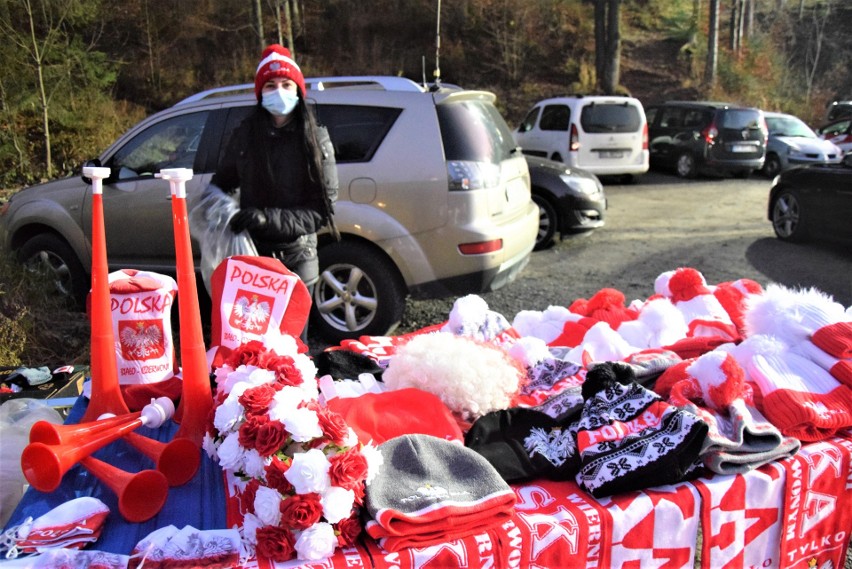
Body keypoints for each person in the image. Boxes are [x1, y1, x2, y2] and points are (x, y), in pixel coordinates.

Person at [208, 44, 339, 343]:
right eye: (270, 85)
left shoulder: (314, 139)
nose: (278, 91)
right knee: (253, 349)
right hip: (253, 262)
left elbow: (321, 212)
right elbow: (222, 182)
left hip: (297, 260)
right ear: (259, 92)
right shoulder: (245, 134)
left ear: (298, 90)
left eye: (286, 84)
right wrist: (215, 209)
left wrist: (266, 219)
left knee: (292, 351)